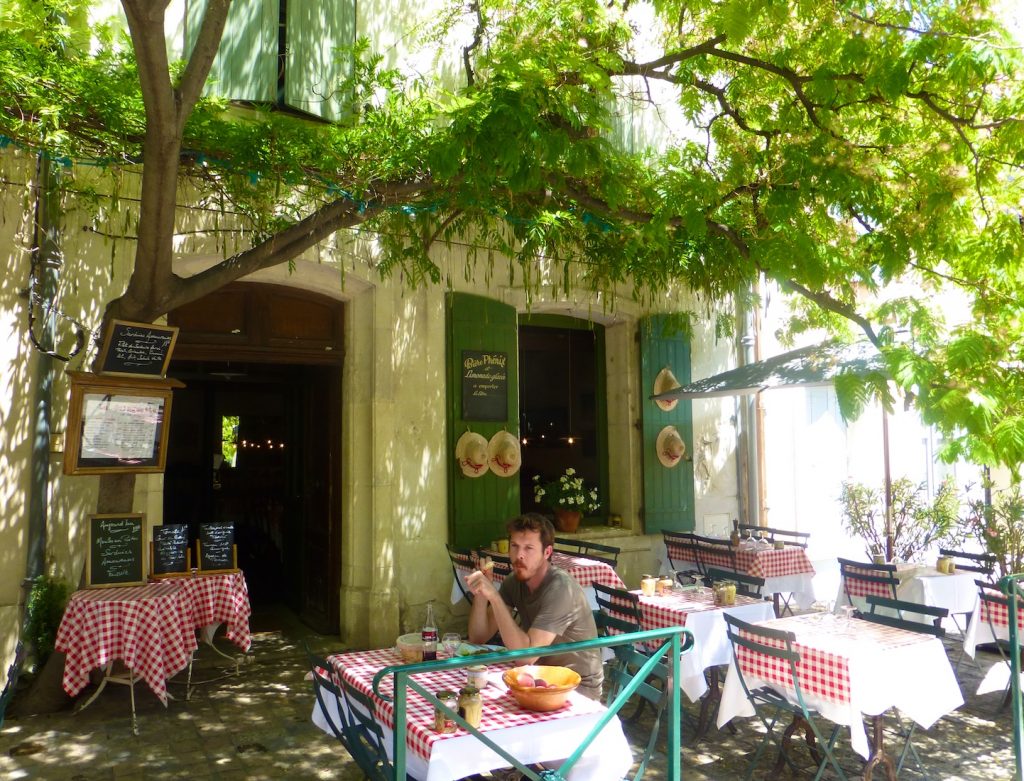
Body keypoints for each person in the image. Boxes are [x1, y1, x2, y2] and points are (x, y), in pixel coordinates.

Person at [465, 513, 603, 700]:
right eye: (514, 546)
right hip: (538, 680)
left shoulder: (560, 588)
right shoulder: (514, 581)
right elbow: (478, 637)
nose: (519, 555)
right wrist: (481, 595)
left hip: (576, 690)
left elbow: (526, 656)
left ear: (547, 552)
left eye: (529, 548)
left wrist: (494, 597)